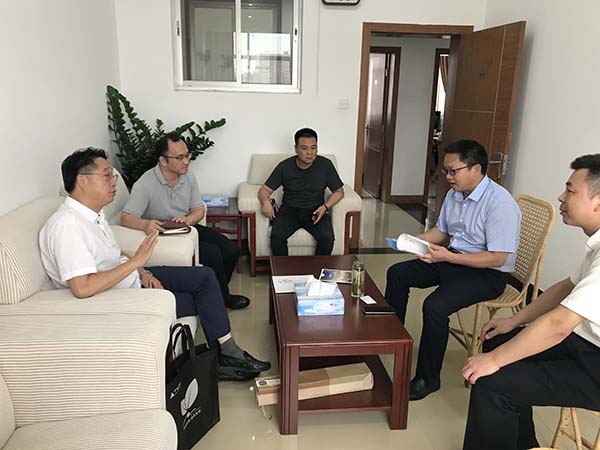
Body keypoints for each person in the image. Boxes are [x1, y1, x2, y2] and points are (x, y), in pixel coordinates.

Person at [39, 147, 270, 381]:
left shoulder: (93, 216)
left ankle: (225, 353)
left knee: (205, 276)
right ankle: (226, 356)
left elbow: (114, 254)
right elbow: (82, 287)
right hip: (118, 295)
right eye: (107, 175)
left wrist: (142, 271)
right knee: (200, 301)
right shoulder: (67, 226)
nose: (114, 183)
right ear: (82, 181)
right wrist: (136, 263)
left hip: (132, 279)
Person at [461, 154, 600, 450]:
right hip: (585, 342)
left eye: (570, 191)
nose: (561, 197)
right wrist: (514, 321)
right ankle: (522, 443)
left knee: (493, 382)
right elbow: (566, 287)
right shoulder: (596, 244)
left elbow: (559, 324)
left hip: (595, 364)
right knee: (497, 339)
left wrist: (495, 362)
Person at [385, 139, 521, 401]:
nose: (447, 176)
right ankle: (391, 337)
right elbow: (442, 232)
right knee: (398, 273)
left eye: (453, 171)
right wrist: (413, 241)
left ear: (476, 169)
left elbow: (497, 258)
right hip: (453, 258)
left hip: (487, 273)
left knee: (435, 306)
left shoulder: (500, 204)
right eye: (445, 170)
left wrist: (447, 257)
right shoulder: (454, 194)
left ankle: (428, 378)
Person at [120, 133, 249, 310]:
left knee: (231, 250)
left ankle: (217, 293)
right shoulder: (144, 184)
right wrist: (145, 224)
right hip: (164, 235)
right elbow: (126, 217)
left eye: (187, 155)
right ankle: (222, 299)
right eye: (180, 157)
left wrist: (189, 219)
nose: (186, 161)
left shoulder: (188, 177)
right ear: (163, 161)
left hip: (188, 228)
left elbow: (199, 209)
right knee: (212, 254)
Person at [258, 128, 345, 256]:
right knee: (276, 237)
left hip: (316, 210)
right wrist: (265, 202)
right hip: (290, 210)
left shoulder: (325, 165)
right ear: (296, 148)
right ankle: (284, 269)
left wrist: (325, 207)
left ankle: (317, 268)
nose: (309, 153)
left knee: (327, 238)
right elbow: (264, 190)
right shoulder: (285, 166)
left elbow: (339, 191)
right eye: (304, 148)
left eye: (313, 148)